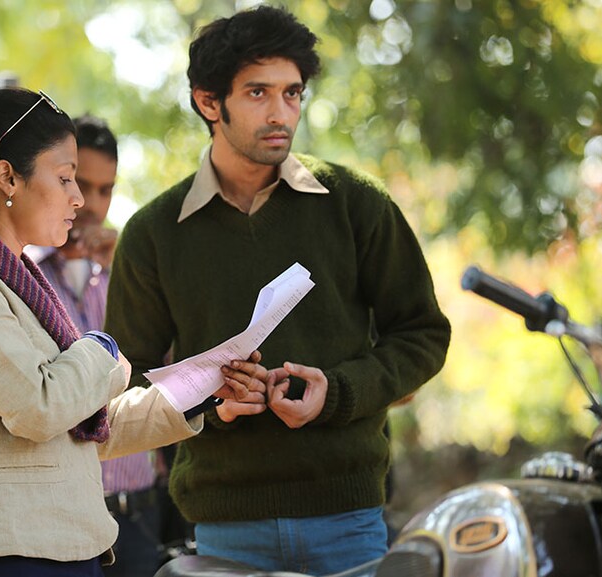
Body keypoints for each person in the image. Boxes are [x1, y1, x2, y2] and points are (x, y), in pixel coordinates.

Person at [104, 5, 451, 575]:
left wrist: (336, 392)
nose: (281, 113)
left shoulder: (355, 203)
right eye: (259, 93)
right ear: (208, 102)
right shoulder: (153, 234)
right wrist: (212, 402)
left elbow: (422, 334)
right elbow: (126, 384)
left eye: (293, 94)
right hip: (222, 529)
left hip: (350, 519)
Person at [0, 72, 264, 577]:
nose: (79, 200)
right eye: (66, 178)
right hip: (7, 559)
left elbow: (89, 427)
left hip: (63, 552)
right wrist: (102, 346)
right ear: (8, 177)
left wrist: (209, 388)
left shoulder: (19, 285)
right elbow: (41, 406)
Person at [32, 115, 165, 576]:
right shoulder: (20, 277)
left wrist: (126, 271)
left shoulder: (128, 269)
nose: (91, 204)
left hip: (138, 517)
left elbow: (168, 371)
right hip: (58, 521)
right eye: (79, 183)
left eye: (106, 189)